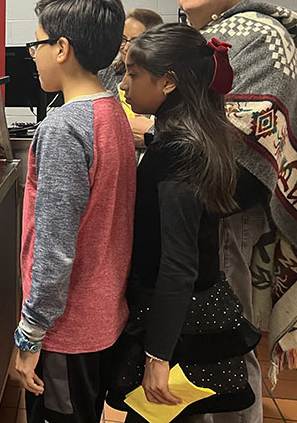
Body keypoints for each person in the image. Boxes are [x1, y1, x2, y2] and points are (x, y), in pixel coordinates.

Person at [171, 0, 297, 419]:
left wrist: (154, 127)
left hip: (231, 210)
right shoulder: (198, 40)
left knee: (225, 342)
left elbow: (238, 133)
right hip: (194, 208)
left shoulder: (259, 36)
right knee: (193, 339)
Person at [106, 23, 260, 421]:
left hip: (175, 319)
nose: (123, 84)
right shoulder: (195, 136)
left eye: (133, 74)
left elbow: (178, 264)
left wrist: (159, 354)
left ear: (169, 83)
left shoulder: (179, 155)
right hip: (182, 311)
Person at [14, 0, 136, 423]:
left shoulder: (65, 127)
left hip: (67, 330)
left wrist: (30, 335)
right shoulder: (111, 110)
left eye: (37, 43)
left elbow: (54, 244)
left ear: (62, 48)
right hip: (103, 314)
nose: (34, 54)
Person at [99, 8, 163, 149]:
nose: (127, 47)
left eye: (135, 41)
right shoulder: (103, 76)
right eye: (123, 39)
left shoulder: (166, 81)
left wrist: (152, 134)